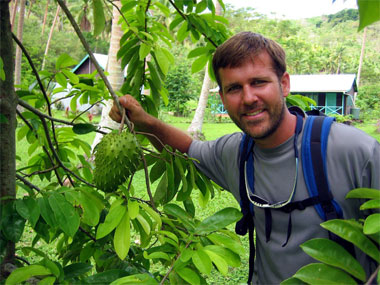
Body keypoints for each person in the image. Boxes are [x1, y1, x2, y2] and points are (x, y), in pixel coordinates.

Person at [109, 32, 380, 284]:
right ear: (223, 97)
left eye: (258, 82)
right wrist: (143, 122)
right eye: (234, 88)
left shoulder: (355, 151)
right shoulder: (235, 153)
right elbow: (188, 149)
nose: (248, 98)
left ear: (284, 84)